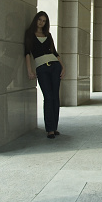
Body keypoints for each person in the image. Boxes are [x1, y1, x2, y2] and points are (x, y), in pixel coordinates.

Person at [25, 11, 65, 139]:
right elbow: (26, 53)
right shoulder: (29, 34)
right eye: (39, 20)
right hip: (41, 68)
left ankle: (54, 127)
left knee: (55, 97)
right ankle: (49, 129)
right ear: (35, 20)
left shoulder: (48, 35)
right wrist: (29, 70)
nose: (41, 22)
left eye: (44, 21)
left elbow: (55, 52)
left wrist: (63, 67)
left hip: (55, 66)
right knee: (48, 97)